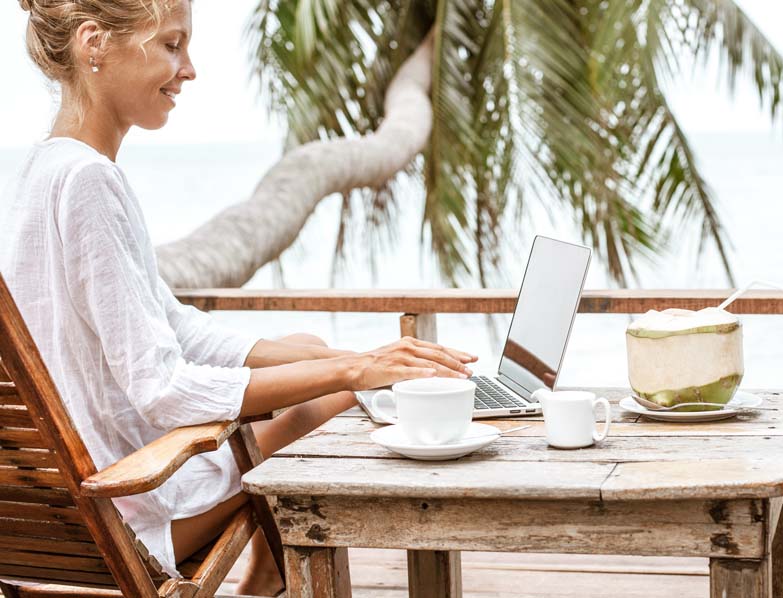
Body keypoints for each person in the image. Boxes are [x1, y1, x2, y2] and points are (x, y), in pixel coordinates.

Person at [1, 1, 477, 594]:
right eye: (172, 45)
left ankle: (269, 577)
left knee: (310, 349)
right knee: (338, 397)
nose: (190, 69)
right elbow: (161, 387)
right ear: (94, 43)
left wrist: (335, 356)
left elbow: (175, 327)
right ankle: (271, 582)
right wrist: (353, 370)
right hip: (130, 516)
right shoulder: (90, 182)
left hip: (55, 518)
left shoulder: (43, 171)